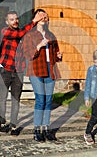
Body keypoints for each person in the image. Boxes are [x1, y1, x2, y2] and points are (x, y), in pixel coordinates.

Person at [0, 10, 45, 135]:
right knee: (2, 99)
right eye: (12, 19)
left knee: (16, 100)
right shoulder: (5, 31)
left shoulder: (24, 34)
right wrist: (34, 21)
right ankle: (2, 123)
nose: (15, 21)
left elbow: (29, 45)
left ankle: (13, 126)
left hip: (18, 71)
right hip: (5, 70)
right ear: (7, 22)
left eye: (16, 18)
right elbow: (19, 33)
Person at [23, 9, 62, 142]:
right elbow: (28, 54)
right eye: (40, 15)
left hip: (50, 69)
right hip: (35, 70)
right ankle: (36, 130)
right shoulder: (30, 35)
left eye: (45, 16)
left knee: (48, 100)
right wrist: (39, 46)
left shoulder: (51, 35)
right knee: (40, 100)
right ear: (35, 18)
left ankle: (46, 128)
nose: (44, 17)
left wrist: (58, 56)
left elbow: (56, 54)